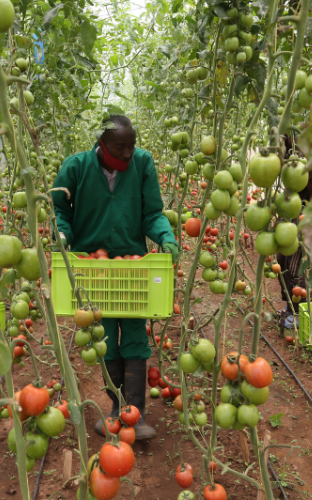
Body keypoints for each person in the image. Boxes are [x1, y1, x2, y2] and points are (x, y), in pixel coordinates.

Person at [51, 115, 179, 440]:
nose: (127, 153)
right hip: (91, 270)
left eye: (131, 146)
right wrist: (62, 236)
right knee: (103, 335)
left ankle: (135, 412)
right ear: (102, 143)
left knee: (134, 332)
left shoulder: (142, 164)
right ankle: (115, 407)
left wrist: (166, 237)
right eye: (120, 147)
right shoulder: (76, 167)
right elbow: (60, 211)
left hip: (132, 267)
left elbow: (152, 213)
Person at [278, 136, 312, 329]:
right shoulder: (286, 153)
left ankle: (298, 313)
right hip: (289, 215)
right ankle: (290, 306)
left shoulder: (307, 157)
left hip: (302, 217)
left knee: (294, 266)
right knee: (281, 261)